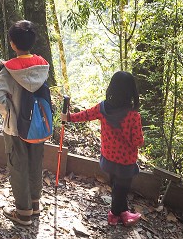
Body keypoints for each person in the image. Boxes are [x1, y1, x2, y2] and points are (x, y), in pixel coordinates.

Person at [62, 70, 144, 226]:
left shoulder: (102, 108)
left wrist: (69, 117)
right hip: (125, 162)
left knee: (116, 186)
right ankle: (114, 215)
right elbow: (137, 141)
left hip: (107, 159)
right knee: (122, 188)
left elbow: (85, 115)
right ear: (132, 91)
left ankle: (123, 212)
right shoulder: (133, 116)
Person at [0, 20, 50, 226]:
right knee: (35, 163)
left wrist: (8, 113)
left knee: (18, 165)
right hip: (38, 125)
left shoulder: (8, 70)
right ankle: (34, 204)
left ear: (13, 44)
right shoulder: (42, 66)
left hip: (16, 127)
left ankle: (23, 212)